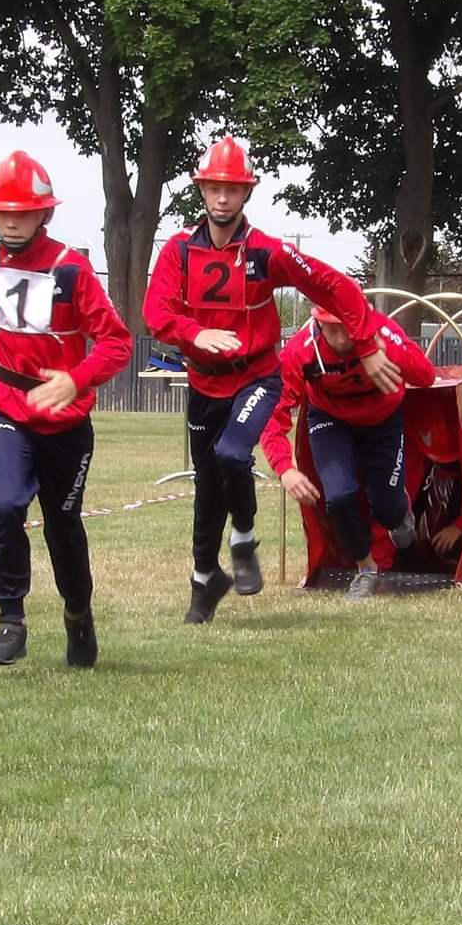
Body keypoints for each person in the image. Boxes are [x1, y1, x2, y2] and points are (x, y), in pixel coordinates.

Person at [144, 134, 401, 623]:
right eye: (214, 188)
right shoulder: (178, 250)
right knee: (207, 485)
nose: (222, 198)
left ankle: (243, 538)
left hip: (257, 378)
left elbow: (336, 286)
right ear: (202, 190)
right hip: (203, 384)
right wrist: (196, 333)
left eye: (232, 189)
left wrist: (367, 345)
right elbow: (155, 313)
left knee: (231, 454)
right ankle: (204, 579)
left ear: (247, 193)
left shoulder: (266, 252)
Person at [0, 150, 132, 667]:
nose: (11, 222)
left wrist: (77, 379)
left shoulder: (71, 269)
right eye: (2, 212)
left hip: (66, 422)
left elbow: (116, 342)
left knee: (62, 524)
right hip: (6, 406)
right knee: (5, 505)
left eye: (22, 212)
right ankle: (11, 619)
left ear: (44, 213)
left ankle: (78, 615)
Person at [260, 302, 438, 600]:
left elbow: (426, 375)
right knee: (339, 497)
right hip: (330, 420)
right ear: (318, 324)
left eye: (348, 329)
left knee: (388, 509)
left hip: (383, 418)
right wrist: (284, 469)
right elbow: (273, 414)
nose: (342, 340)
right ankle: (366, 569)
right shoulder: (300, 351)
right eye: (333, 330)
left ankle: (399, 513)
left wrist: (387, 350)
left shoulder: (382, 330)